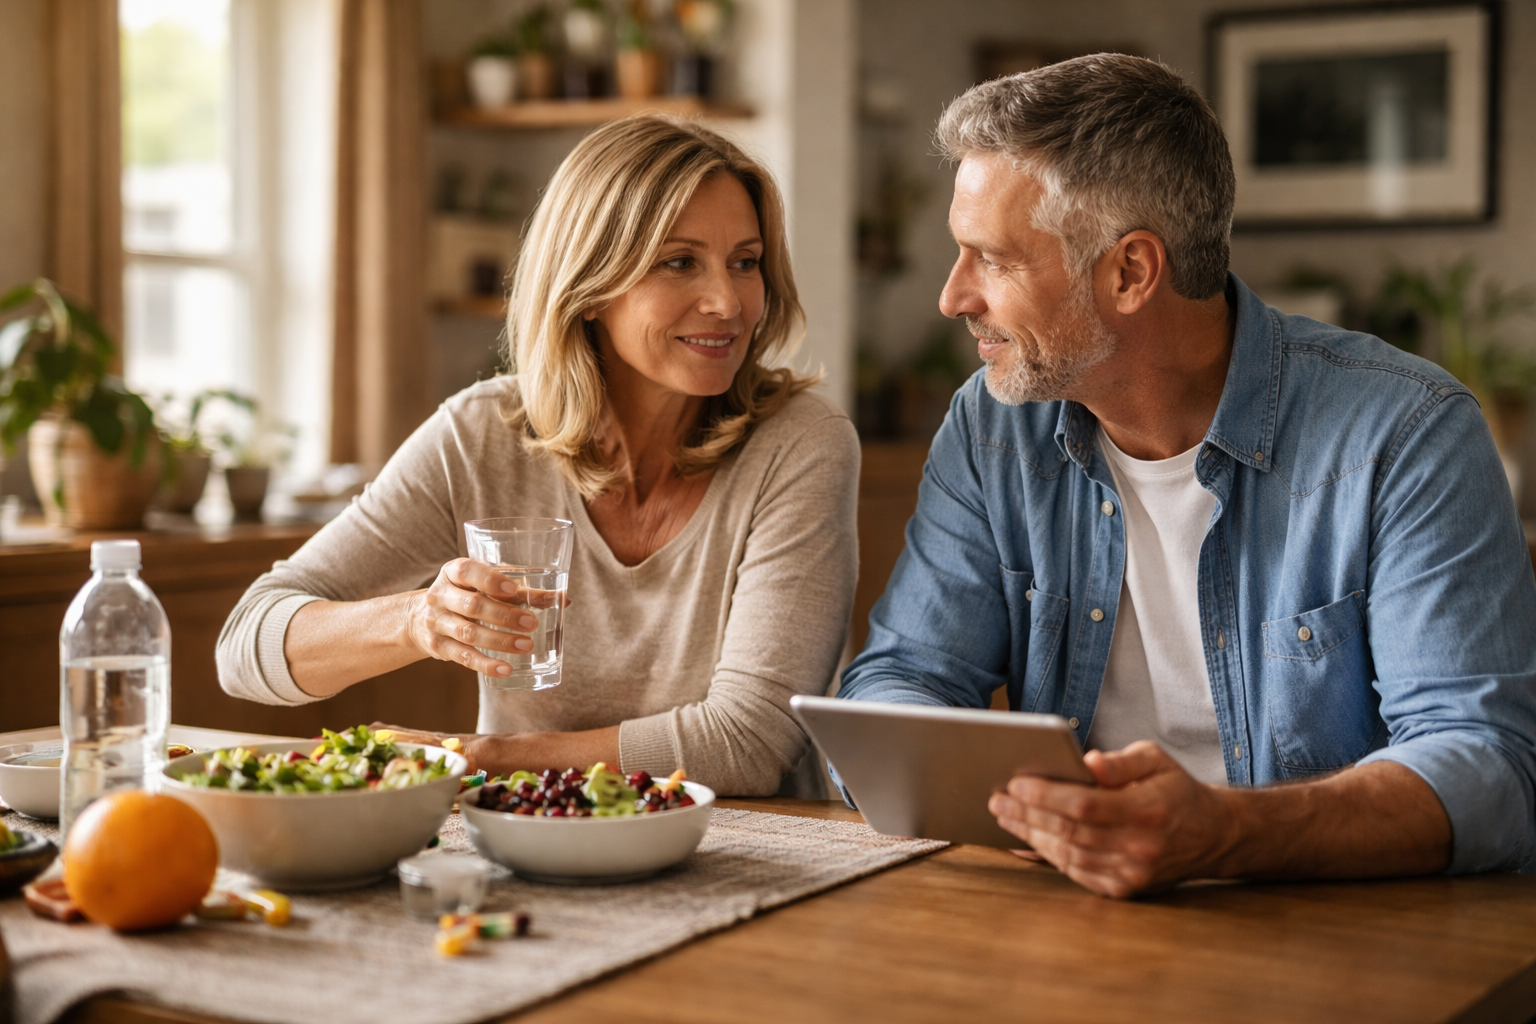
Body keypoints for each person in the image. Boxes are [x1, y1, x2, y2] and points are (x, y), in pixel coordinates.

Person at [836, 54, 1536, 896]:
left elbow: (1490, 769)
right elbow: (901, 678)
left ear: (1130, 271)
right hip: (1069, 909)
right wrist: (1035, 809)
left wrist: (1226, 832)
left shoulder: (1407, 433)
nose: (953, 297)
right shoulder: (992, 427)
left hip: (1339, 930)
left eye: (993, 259)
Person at [217, 115, 858, 796]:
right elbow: (244, 648)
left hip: (759, 857)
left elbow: (748, 744)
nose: (727, 301)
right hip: (528, 848)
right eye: (680, 262)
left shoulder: (800, 443)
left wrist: (482, 754)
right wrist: (416, 620)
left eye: (745, 262)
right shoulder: (483, 434)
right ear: (590, 288)